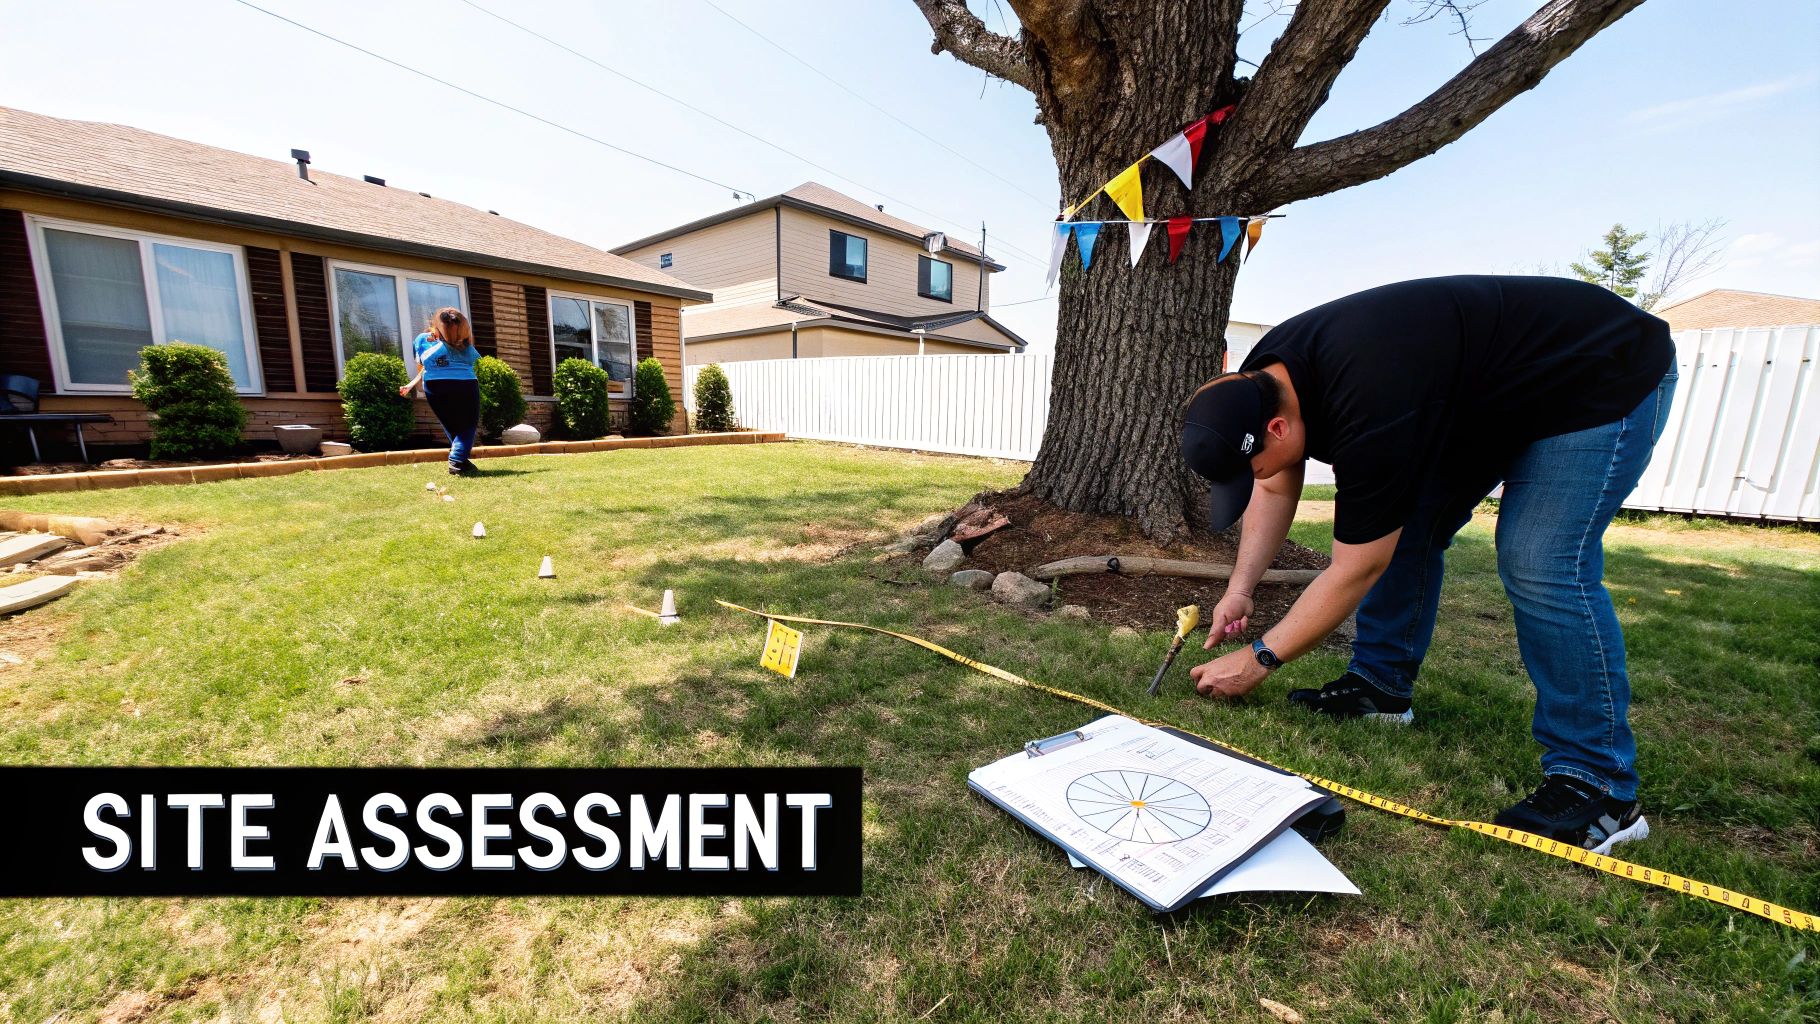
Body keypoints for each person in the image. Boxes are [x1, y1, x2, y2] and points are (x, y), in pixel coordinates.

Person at [1179, 276, 1677, 854]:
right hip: (1486, 399)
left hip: (1596, 377)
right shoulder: (1267, 379)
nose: (1255, 479)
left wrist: (1260, 659)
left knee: (1540, 560)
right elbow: (1274, 483)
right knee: (1408, 526)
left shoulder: (1370, 404)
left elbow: (1356, 568)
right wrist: (1240, 589)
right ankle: (1381, 690)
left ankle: (1601, 787)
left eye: (1250, 466)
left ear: (1279, 428)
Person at [400, 307, 482, 475]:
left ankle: (462, 462)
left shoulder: (422, 340)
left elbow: (424, 366)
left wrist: (415, 384)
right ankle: (457, 459)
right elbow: (472, 360)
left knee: (451, 425)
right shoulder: (464, 344)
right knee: (467, 426)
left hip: (435, 386)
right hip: (465, 384)